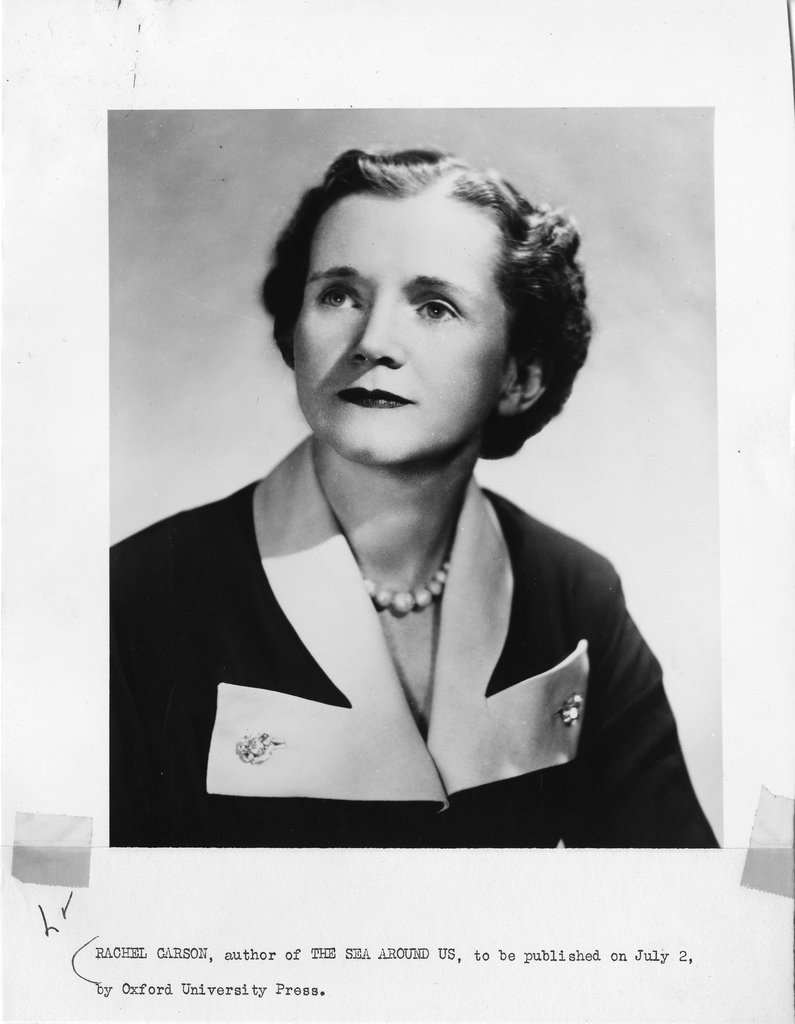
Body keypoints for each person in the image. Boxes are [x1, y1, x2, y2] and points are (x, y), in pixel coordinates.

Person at [110, 147, 718, 848]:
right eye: (338, 294)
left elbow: (676, 881)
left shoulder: (574, 592)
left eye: (433, 306)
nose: (372, 342)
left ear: (518, 377)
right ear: (294, 329)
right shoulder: (138, 596)